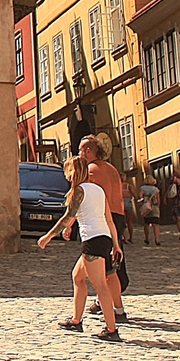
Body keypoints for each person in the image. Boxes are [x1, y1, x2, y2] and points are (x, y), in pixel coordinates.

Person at [37, 154, 122, 342]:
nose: (66, 176)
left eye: (67, 172)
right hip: (104, 238)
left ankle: (112, 329)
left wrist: (48, 236)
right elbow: (108, 218)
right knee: (77, 276)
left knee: (101, 286)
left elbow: (68, 215)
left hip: (92, 239)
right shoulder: (98, 190)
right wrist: (115, 244)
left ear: (73, 172)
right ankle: (76, 321)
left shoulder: (79, 191)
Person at [78, 135, 129, 323]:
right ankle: (110, 305)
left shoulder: (92, 170)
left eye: (81, 150)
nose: (79, 153)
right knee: (110, 267)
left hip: (103, 220)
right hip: (118, 217)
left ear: (89, 151)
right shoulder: (112, 169)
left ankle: (116, 310)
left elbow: (91, 198)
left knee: (108, 270)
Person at [137, 174, 162, 246]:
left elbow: (140, 196)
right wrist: (158, 207)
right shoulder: (156, 189)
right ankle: (157, 239)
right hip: (154, 207)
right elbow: (158, 199)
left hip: (146, 207)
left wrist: (142, 202)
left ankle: (147, 238)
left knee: (146, 223)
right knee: (156, 224)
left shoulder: (142, 188)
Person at [121, 178, 136, 243]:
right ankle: (131, 238)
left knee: (122, 222)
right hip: (128, 202)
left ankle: (125, 238)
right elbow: (134, 194)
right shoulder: (128, 186)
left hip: (121, 202)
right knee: (129, 221)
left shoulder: (118, 185)